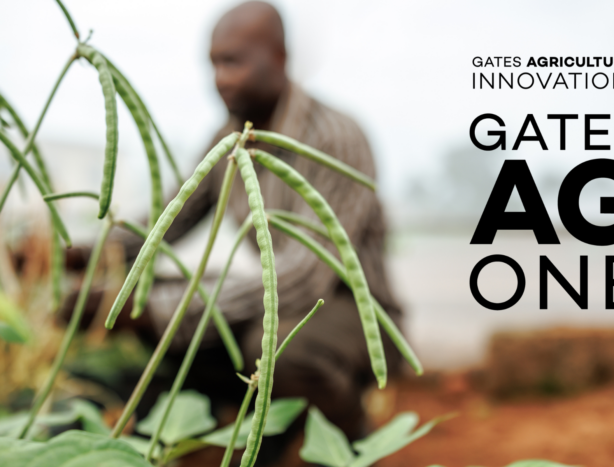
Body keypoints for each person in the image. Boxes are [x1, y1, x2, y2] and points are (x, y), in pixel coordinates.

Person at [67, 0, 402, 445]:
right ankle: (262, 430)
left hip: (347, 307)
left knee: (277, 348)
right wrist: (80, 257)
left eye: (233, 61)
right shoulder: (228, 138)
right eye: (213, 64)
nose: (219, 78)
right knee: (188, 320)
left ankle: (350, 439)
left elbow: (304, 278)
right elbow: (168, 222)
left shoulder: (334, 137)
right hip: (276, 299)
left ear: (279, 57)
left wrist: (156, 310)